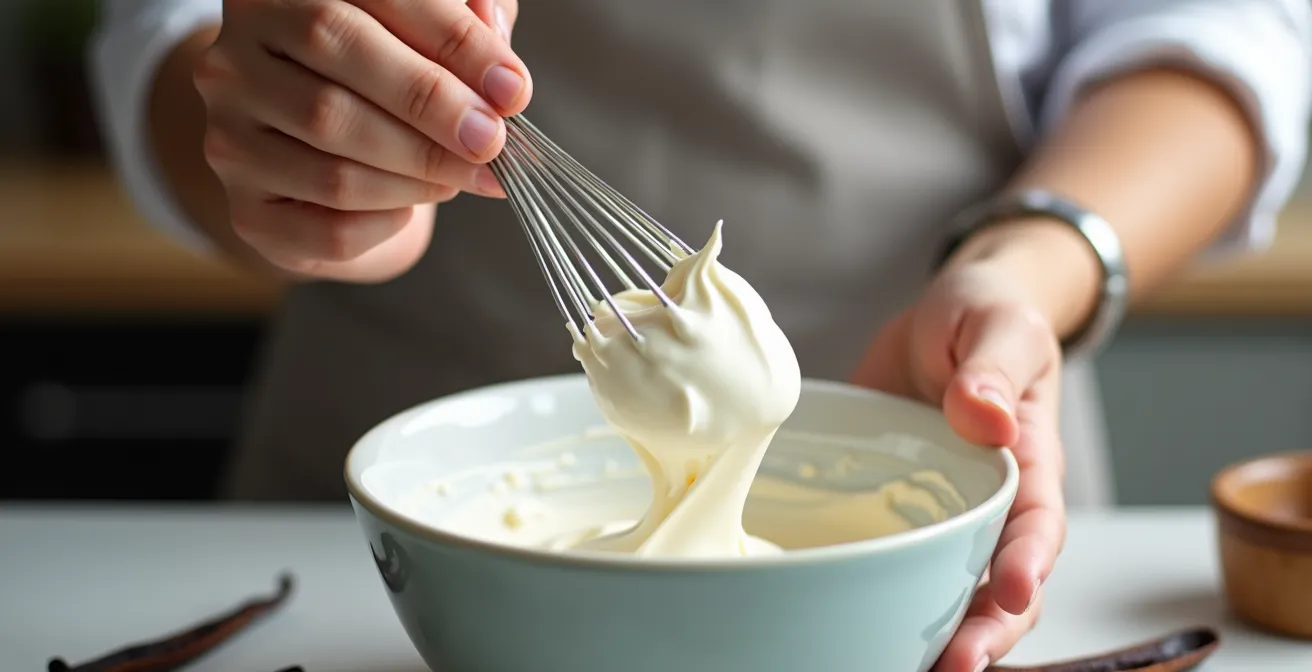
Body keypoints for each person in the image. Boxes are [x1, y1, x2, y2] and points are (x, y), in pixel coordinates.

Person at [90, 1, 1310, 669]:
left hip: (948, 423)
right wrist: (296, 149)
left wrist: (1022, 272)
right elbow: (170, 39)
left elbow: (1221, 27)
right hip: (379, 502)